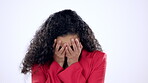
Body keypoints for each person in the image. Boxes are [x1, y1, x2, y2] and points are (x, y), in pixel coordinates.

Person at [21, 9, 107, 83]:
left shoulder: (98, 58)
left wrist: (73, 63)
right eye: (60, 47)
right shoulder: (39, 63)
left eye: (72, 47)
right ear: (51, 43)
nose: (67, 52)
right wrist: (57, 63)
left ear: (81, 41)